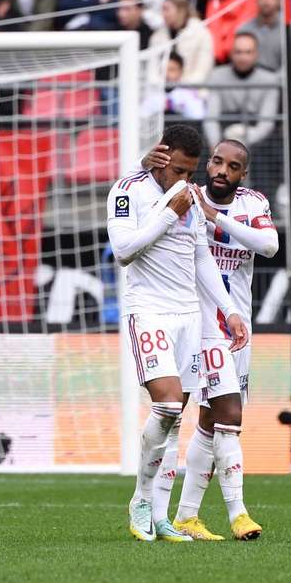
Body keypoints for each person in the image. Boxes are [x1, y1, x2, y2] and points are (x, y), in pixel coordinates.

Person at [107, 124, 248, 543]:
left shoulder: (193, 196)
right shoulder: (127, 190)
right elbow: (124, 251)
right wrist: (169, 210)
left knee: (174, 423)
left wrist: (231, 311)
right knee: (167, 407)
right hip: (148, 311)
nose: (185, 181)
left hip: (189, 317)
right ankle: (140, 501)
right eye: (179, 171)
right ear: (162, 158)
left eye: (191, 173)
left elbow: (202, 258)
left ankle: (161, 514)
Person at [142, 139, 278, 541]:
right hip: (193, 325)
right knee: (195, 415)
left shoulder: (253, 204)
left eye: (232, 165)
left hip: (234, 326)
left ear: (242, 173)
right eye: (216, 161)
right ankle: (186, 511)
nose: (221, 170)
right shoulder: (185, 197)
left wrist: (216, 217)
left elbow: (269, 245)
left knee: (211, 420)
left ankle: (185, 516)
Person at [203, 33, 281, 194]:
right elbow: (211, 117)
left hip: (257, 137)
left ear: (256, 54)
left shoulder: (270, 79)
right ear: (231, 53)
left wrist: (241, 143)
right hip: (223, 132)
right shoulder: (217, 76)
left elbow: (266, 123)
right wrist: (216, 144)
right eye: (238, 52)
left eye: (248, 52)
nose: (243, 57)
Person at [237, 0, 291, 72]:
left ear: (279, 0)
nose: (266, 1)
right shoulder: (244, 29)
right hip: (250, 81)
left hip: (281, 82)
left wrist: (272, 80)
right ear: (255, 0)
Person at [152, 0, 214, 84]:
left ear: (180, 10)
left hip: (193, 89)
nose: (163, 14)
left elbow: (203, 69)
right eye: (162, 9)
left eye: (166, 9)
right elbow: (152, 69)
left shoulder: (200, 33)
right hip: (161, 89)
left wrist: (183, 89)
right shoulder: (158, 36)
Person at [57, 0, 125, 30]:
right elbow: (63, 6)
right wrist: (96, 1)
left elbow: (116, 10)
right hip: (69, 29)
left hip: (101, 30)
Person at [164, 53, 206, 119]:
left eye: (171, 70)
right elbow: (144, 113)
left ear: (181, 71)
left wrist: (170, 105)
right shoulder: (154, 91)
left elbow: (198, 115)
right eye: (163, 70)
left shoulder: (189, 91)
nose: (166, 74)